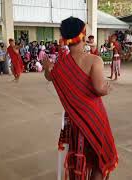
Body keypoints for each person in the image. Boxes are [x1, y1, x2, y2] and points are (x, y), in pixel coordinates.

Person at [43, 17, 118, 180]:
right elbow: (99, 88)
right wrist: (107, 88)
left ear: (65, 38)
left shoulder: (61, 63)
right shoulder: (93, 60)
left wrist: (46, 67)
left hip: (74, 121)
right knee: (100, 158)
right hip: (93, 117)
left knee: (79, 157)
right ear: (83, 34)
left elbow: (50, 76)